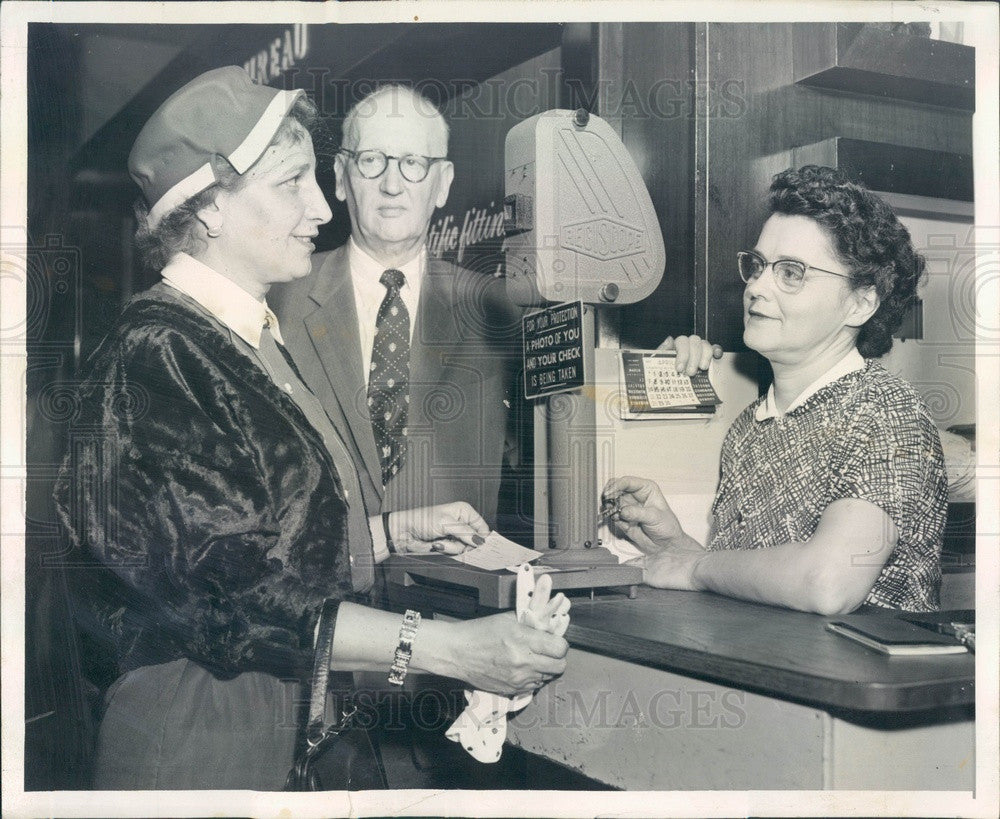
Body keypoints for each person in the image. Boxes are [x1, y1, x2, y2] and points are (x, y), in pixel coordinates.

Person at [52, 66, 570, 791]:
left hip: (276, 737)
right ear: (210, 210)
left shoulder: (238, 338)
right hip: (200, 747)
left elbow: (255, 540)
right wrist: (451, 649)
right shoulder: (157, 355)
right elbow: (236, 600)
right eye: (292, 183)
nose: (322, 208)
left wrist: (386, 534)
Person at [271, 84, 719, 531]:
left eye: (414, 164)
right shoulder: (274, 296)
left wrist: (669, 365)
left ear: (442, 183)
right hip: (310, 583)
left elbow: (586, 393)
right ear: (340, 176)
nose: (392, 185)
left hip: (456, 589)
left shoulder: (500, 307)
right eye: (372, 161)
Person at [603, 166, 946, 615]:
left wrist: (693, 567)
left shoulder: (885, 413)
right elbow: (758, 587)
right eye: (760, 266)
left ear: (861, 302)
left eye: (791, 273)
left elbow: (827, 583)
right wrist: (677, 544)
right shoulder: (749, 426)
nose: (757, 287)